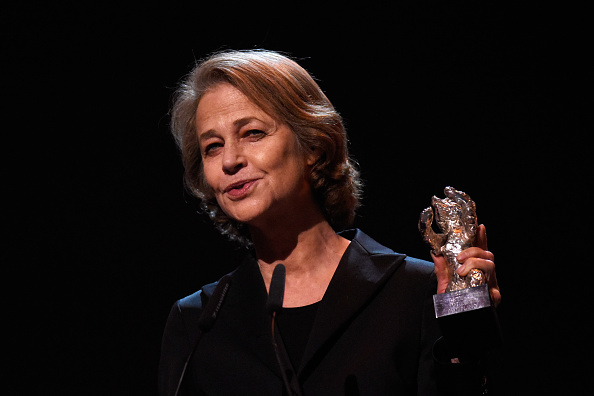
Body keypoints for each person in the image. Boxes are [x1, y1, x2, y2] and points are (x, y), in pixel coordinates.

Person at [159, 49, 501, 396]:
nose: (230, 160)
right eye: (212, 147)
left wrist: (465, 340)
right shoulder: (198, 324)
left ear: (313, 145)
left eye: (253, 133)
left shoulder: (413, 292)